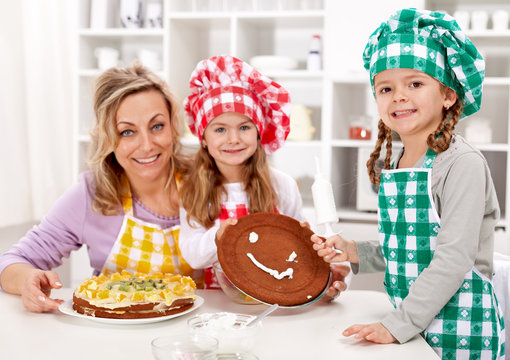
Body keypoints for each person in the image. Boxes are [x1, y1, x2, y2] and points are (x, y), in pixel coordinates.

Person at [312, 8, 505, 359]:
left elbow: (452, 259)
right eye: (386, 88)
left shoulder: (461, 164)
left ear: (448, 95)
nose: (398, 96)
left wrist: (397, 325)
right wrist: (354, 250)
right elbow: (405, 251)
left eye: (415, 83)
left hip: (460, 329)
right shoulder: (401, 163)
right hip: (414, 325)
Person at [0, 63, 200, 313]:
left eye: (157, 126)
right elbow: (11, 263)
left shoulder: (208, 182)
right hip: (112, 341)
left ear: (173, 125)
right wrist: (27, 281)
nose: (147, 145)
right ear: (108, 137)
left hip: (195, 339)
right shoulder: (90, 195)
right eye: (127, 132)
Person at [179, 54, 349, 297]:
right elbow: (193, 256)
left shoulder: (282, 185)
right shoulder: (192, 189)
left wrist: (325, 281)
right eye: (220, 129)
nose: (234, 139)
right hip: (218, 302)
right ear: (203, 139)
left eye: (245, 127)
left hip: (273, 300)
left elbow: (298, 251)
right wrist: (218, 236)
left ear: (259, 133)